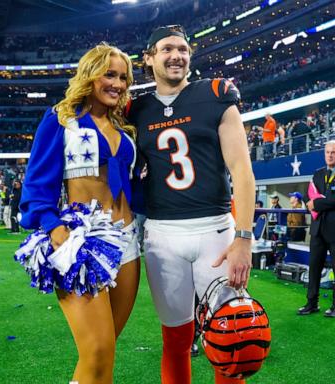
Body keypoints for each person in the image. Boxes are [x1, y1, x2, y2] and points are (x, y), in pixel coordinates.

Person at [128, 25, 255, 384]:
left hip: (216, 230)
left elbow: (242, 171)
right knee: (175, 340)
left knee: (232, 340)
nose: (177, 56)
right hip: (162, 234)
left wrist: (243, 238)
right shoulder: (135, 109)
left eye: (183, 49)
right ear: (149, 58)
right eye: (167, 49)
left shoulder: (215, 93)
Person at [14, 43, 140, 383]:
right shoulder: (60, 120)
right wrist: (55, 230)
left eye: (124, 78)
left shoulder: (125, 128)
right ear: (90, 75)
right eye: (109, 74)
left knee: (107, 351)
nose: (118, 83)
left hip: (129, 244)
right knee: (96, 350)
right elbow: (37, 185)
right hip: (82, 242)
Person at [298, 140, 335, 317]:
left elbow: (333, 200)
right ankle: (312, 303)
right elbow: (307, 196)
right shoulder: (317, 174)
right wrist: (311, 202)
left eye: (333, 152)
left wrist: (316, 203)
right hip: (317, 230)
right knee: (314, 268)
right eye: (327, 152)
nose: (330, 155)